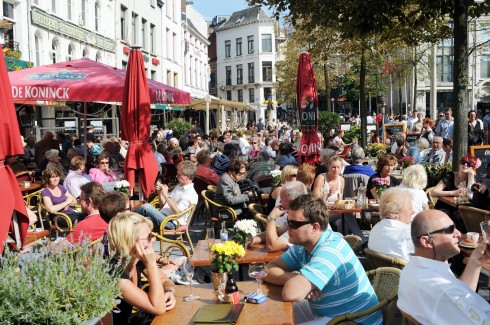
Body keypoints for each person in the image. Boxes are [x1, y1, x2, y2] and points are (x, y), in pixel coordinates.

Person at [264, 194, 382, 324]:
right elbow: (268, 269)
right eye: (288, 221)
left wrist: (303, 283)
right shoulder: (303, 245)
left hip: (354, 320)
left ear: (315, 228)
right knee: (271, 315)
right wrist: (296, 279)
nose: (288, 227)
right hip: (328, 312)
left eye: (294, 224)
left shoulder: (329, 251)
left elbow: (290, 293)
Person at [398, 210, 490, 323]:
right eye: (450, 229)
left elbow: (459, 297)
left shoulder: (412, 269)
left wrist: (475, 263)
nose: (459, 234)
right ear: (426, 241)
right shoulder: (444, 290)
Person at [108, 212, 176, 324]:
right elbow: (158, 308)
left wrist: (170, 292)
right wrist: (151, 264)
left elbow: (165, 281)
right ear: (130, 242)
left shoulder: (136, 260)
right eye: (149, 236)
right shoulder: (115, 275)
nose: (153, 239)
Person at [134, 161, 198, 230]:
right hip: (163, 217)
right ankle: (125, 225)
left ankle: (124, 220)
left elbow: (178, 211)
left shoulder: (190, 193)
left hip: (172, 222)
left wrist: (166, 195)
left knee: (146, 207)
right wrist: (160, 193)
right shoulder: (179, 187)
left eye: (179, 175)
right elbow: (163, 205)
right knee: (138, 221)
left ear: (187, 176)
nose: (176, 177)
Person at [251, 181, 308, 252]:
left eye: (282, 200)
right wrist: (255, 238)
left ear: (292, 201)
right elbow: (278, 232)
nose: (279, 202)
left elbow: (272, 246)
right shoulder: (291, 215)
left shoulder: (301, 221)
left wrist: (272, 217)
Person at [431, 155, 477, 232]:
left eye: (469, 164)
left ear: (471, 167)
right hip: (444, 206)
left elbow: (471, 195)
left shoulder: (470, 179)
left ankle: (461, 240)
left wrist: (471, 175)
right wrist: (453, 193)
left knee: (465, 221)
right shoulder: (450, 176)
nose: (465, 165)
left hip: (459, 208)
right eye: (463, 162)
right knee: (449, 222)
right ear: (459, 164)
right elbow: (434, 192)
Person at [368, 187, 414, 261]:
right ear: (395, 213)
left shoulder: (376, 228)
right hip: (405, 271)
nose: (413, 212)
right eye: (410, 208)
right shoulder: (408, 234)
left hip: (378, 270)